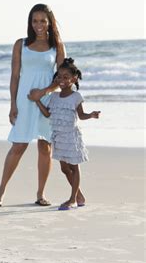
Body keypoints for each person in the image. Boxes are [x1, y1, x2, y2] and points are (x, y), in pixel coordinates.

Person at [0, 4, 66, 207]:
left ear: (49, 22)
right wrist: (13, 104)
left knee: (44, 146)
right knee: (19, 145)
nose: (38, 25)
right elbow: (15, 76)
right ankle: (0, 191)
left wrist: (44, 92)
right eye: (34, 20)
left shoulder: (57, 45)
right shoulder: (20, 44)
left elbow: (62, 77)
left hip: (47, 100)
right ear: (30, 23)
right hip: (24, 100)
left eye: (42, 20)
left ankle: (41, 194)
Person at [33, 58, 100, 210]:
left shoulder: (76, 97)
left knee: (74, 168)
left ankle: (73, 199)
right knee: (64, 169)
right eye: (59, 76)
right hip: (59, 137)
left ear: (73, 79)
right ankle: (80, 196)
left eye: (65, 77)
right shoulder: (54, 97)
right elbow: (48, 114)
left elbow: (81, 116)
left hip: (71, 137)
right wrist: (37, 101)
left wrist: (91, 115)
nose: (61, 80)